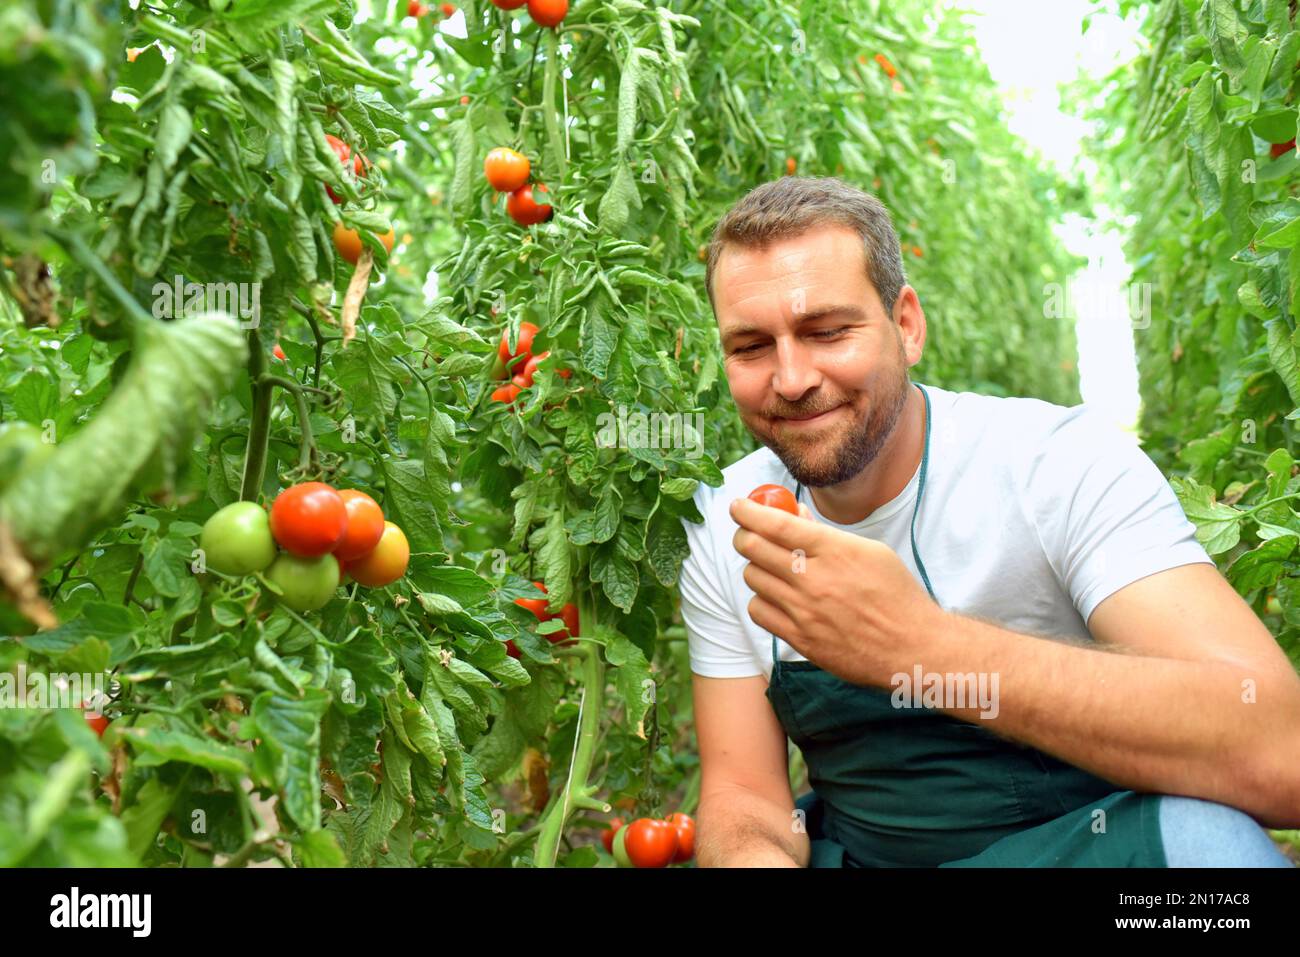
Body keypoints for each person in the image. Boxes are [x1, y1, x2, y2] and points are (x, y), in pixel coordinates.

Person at [680, 176, 1300, 868]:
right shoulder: (722, 517)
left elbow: (1278, 749)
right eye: (752, 347)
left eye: (827, 331)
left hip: (1079, 853)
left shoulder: (1056, 464)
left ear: (906, 325)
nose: (792, 378)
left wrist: (922, 644)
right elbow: (745, 794)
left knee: (1211, 850)